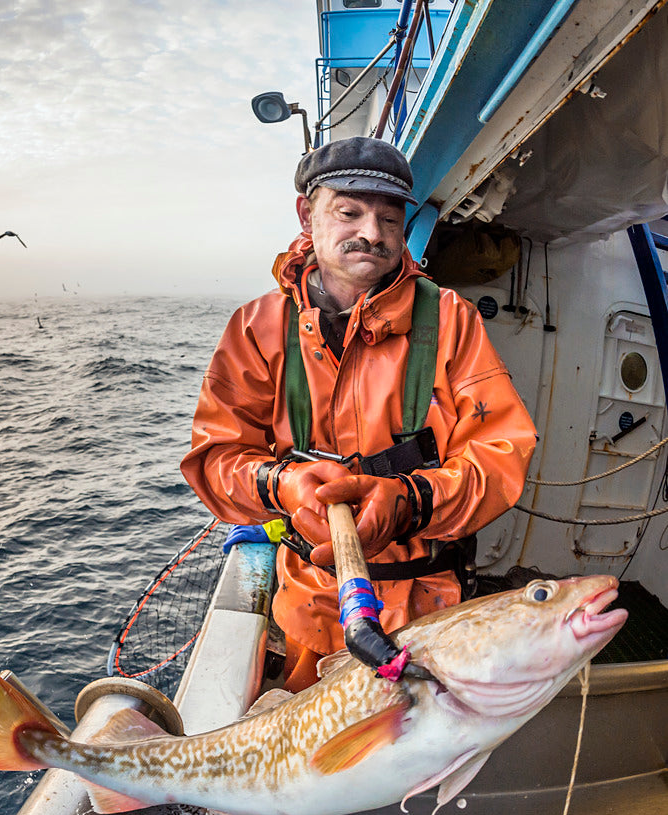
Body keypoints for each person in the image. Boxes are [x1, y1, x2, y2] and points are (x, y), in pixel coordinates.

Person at [180, 136, 537, 692]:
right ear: (307, 214)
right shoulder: (256, 326)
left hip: (428, 620)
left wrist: (411, 500)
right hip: (305, 608)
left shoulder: (451, 319)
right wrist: (284, 485)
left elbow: (501, 454)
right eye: (349, 212)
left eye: (390, 220)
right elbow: (216, 458)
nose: (372, 233)